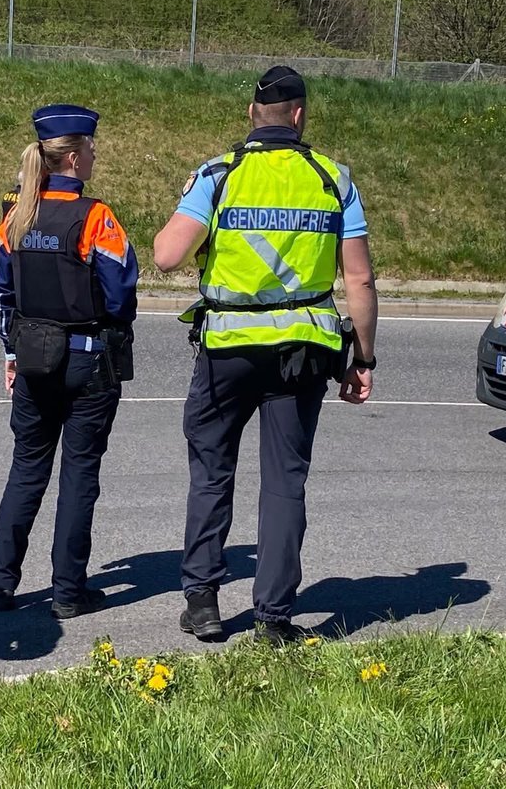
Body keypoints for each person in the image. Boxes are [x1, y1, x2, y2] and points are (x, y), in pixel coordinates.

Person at [153, 65, 378, 646]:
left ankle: (202, 601)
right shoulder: (333, 179)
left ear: (253, 114)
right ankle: (273, 619)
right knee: (284, 482)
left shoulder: (219, 175)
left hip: (228, 349)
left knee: (211, 470)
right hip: (302, 354)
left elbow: (167, 256)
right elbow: (361, 281)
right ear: (300, 116)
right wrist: (364, 359)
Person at [0, 104, 139, 619]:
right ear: (71, 157)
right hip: (87, 361)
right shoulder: (95, 217)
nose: (94, 154)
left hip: (33, 359)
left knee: (26, 470)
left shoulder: (16, 216)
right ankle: (68, 590)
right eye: (89, 147)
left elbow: (3, 294)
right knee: (79, 475)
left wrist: (12, 352)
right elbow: (120, 293)